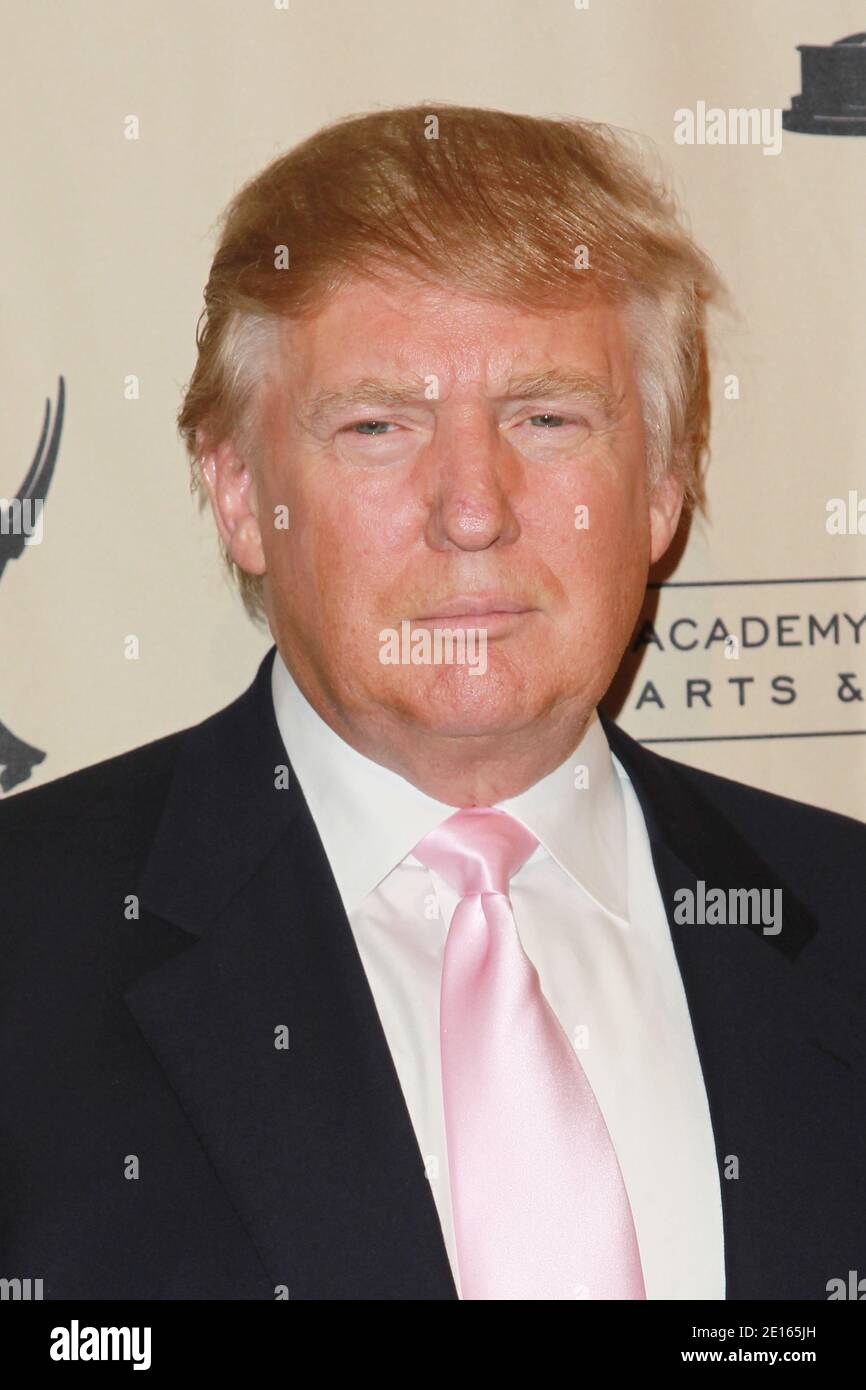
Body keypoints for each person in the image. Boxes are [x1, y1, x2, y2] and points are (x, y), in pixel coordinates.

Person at [2, 104, 864, 1302]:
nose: (471, 509)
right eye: (377, 426)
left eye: (545, 418)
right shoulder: (28, 941)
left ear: (662, 489)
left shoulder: (841, 919)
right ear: (240, 494)